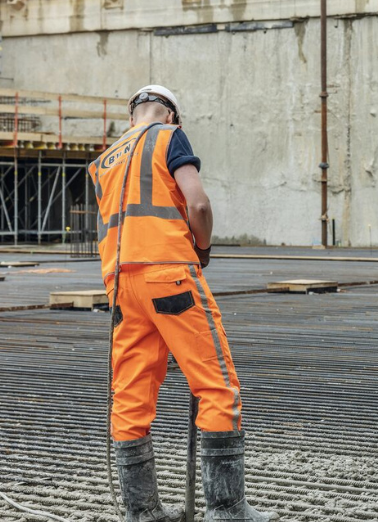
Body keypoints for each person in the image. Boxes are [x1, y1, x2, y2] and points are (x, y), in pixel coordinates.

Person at [88, 85, 277, 522]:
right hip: (170, 274)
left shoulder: (104, 161)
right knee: (216, 385)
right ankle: (227, 508)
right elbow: (199, 204)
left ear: (132, 113)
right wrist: (203, 248)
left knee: (130, 396)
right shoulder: (168, 137)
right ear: (171, 115)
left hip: (120, 286)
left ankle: (143, 512)